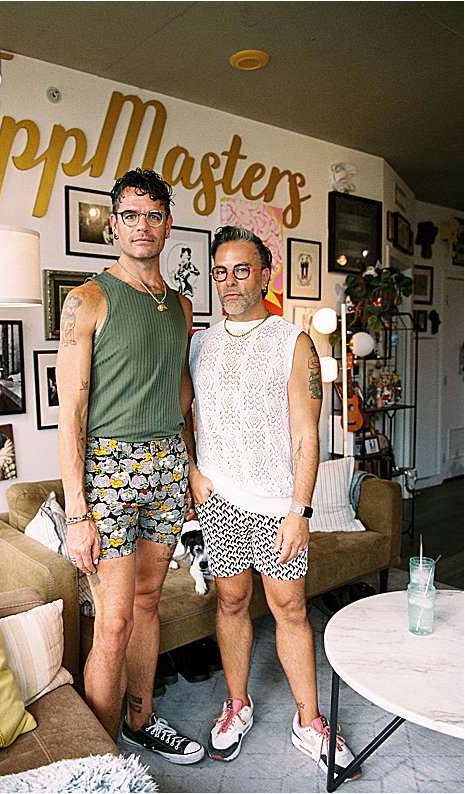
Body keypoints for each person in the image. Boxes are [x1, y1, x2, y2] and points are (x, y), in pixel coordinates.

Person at [188, 226, 361, 777]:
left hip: (276, 505)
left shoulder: (294, 342)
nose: (230, 281)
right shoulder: (199, 342)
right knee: (232, 604)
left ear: (266, 274)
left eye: (242, 270)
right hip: (220, 501)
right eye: (221, 271)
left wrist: (300, 511)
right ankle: (237, 705)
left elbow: (308, 436)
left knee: (289, 610)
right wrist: (193, 470)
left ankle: (308, 721)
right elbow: (183, 415)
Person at [55, 168, 204, 763]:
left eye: (154, 215)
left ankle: (142, 722)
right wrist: (76, 511)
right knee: (113, 622)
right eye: (131, 215)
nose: (143, 226)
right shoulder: (87, 298)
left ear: (167, 224)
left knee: (148, 606)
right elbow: (72, 413)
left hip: (167, 465)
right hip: (108, 470)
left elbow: (180, 394)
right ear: (114, 224)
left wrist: (188, 467)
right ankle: (99, 759)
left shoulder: (181, 307)